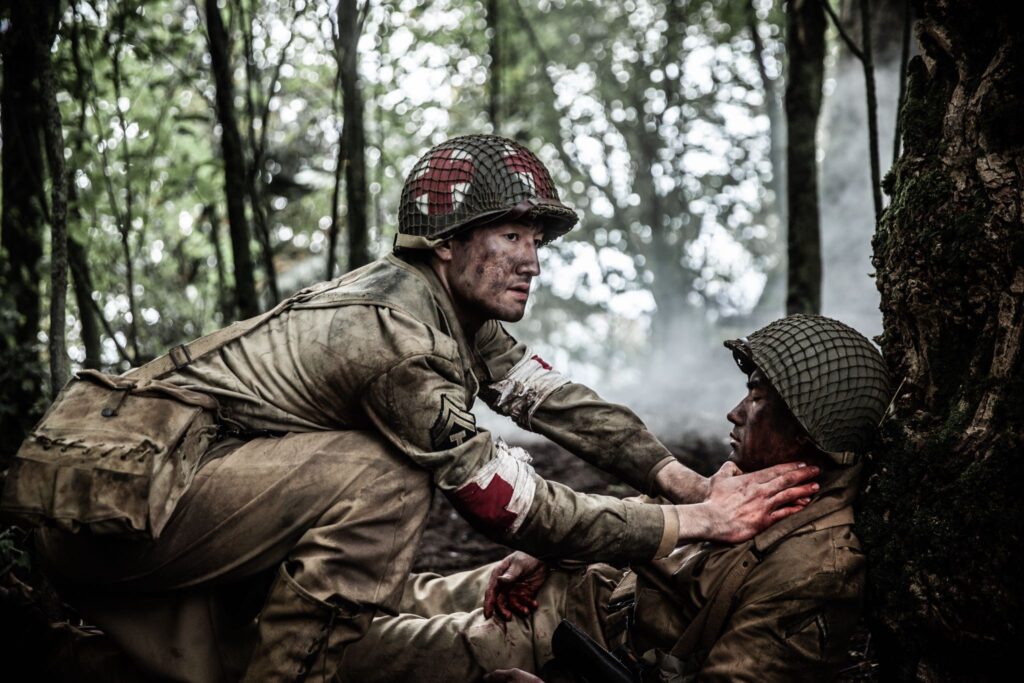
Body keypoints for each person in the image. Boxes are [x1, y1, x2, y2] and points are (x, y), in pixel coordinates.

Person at [11, 135, 818, 682]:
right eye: (511, 233)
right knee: (385, 475)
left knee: (261, 619)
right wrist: (699, 524)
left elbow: (557, 403)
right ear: (446, 244)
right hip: (121, 518)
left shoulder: (449, 311)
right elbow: (517, 506)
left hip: (174, 509)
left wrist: (679, 480)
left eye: (539, 237)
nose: (534, 258)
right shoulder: (397, 338)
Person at [337, 314, 892, 683]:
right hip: (566, 586)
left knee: (347, 651)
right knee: (363, 593)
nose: (735, 413)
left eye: (758, 400)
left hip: (563, 646)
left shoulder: (816, 569)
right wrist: (557, 547)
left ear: (804, 434)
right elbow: (660, 516)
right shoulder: (757, 478)